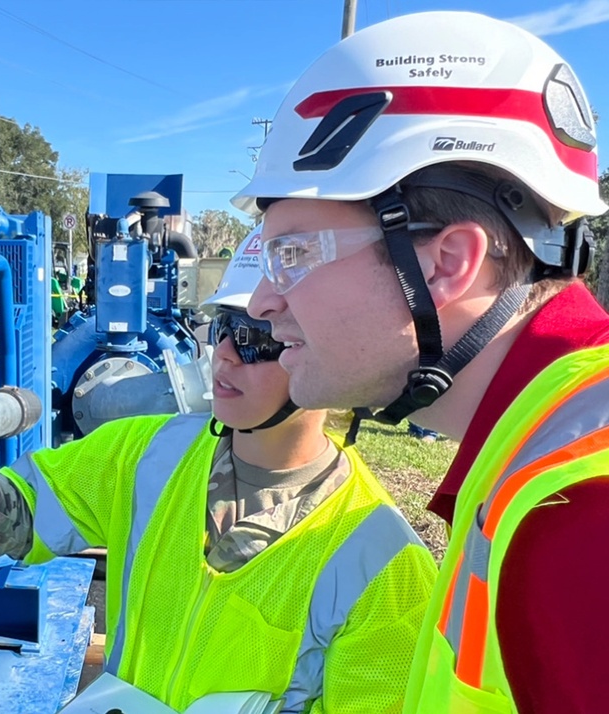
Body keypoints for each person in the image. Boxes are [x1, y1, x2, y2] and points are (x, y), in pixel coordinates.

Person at [0, 227, 436, 713]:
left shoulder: (383, 565)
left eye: (258, 339)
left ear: (327, 355)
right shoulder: (147, 452)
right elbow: (27, 516)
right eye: (224, 327)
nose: (228, 354)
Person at [236, 11, 608, 713]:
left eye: (290, 255)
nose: (260, 302)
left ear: (445, 264)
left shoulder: (582, 513)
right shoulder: (536, 454)